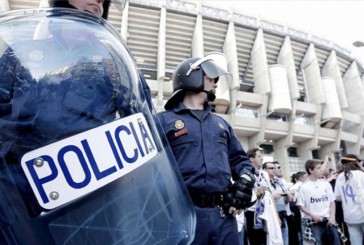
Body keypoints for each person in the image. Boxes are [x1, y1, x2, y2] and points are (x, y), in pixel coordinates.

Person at [0, 1, 196, 244]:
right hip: (32, 194)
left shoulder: (110, 57)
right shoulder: (23, 50)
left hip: (100, 195)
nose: (98, 1)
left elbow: (141, 119)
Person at [157, 53, 256, 244]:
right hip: (184, 215)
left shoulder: (221, 124)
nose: (216, 83)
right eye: (211, 78)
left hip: (223, 217)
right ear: (190, 76)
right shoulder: (163, 121)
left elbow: (240, 160)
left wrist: (245, 178)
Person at [296, 159, 341, 245]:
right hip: (314, 223)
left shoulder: (326, 184)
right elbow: (300, 205)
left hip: (329, 220)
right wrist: (312, 215)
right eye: (318, 168)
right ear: (310, 170)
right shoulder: (304, 187)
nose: (321, 170)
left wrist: (332, 217)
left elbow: (332, 202)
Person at [334, 154, 364, 245]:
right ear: (356, 163)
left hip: (349, 215)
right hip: (362, 212)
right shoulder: (360, 174)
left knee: (355, 242)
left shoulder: (340, 176)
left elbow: (337, 197)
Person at [244, 148, 270, 245]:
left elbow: (268, 191)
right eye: (259, 156)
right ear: (251, 159)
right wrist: (257, 192)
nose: (262, 158)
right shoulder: (245, 172)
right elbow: (244, 192)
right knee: (254, 240)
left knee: (265, 240)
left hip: (264, 211)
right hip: (251, 211)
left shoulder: (264, 174)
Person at [265, 161, 290, 245]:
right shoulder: (263, 182)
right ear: (265, 170)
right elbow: (262, 198)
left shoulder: (279, 182)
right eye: (271, 168)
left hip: (282, 213)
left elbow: (285, 200)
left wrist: (287, 198)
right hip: (271, 215)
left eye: (275, 168)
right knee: (274, 240)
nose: (274, 170)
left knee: (285, 239)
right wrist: (273, 196)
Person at [289, 171, 307, 245]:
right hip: (302, 209)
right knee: (303, 229)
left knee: (297, 230)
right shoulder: (304, 186)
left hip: (293, 209)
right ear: (303, 178)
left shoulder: (291, 187)